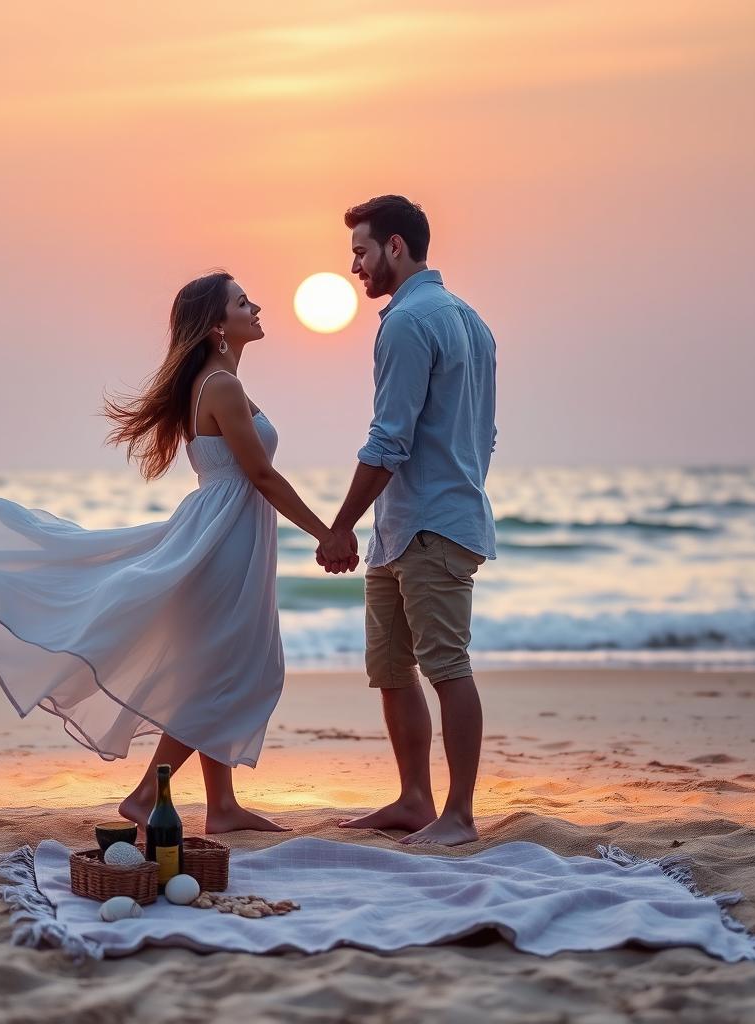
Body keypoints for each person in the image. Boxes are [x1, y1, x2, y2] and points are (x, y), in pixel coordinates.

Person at [0, 272, 357, 833]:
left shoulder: (218, 382)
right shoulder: (222, 387)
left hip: (224, 531)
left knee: (216, 666)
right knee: (225, 669)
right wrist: (326, 532)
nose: (256, 307)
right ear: (216, 326)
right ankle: (143, 796)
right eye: (242, 302)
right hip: (224, 541)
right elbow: (260, 474)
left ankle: (223, 806)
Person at [317, 195, 498, 846]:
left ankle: (459, 814)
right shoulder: (470, 321)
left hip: (432, 524)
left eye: (361, 253)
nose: (356, 268)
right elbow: (485, 434)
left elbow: (388, 439)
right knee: (392, 669)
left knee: (447, 665)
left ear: (396, 246)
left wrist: (339, 526)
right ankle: (415, 799)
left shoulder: (410, 322)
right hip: (403, 525)